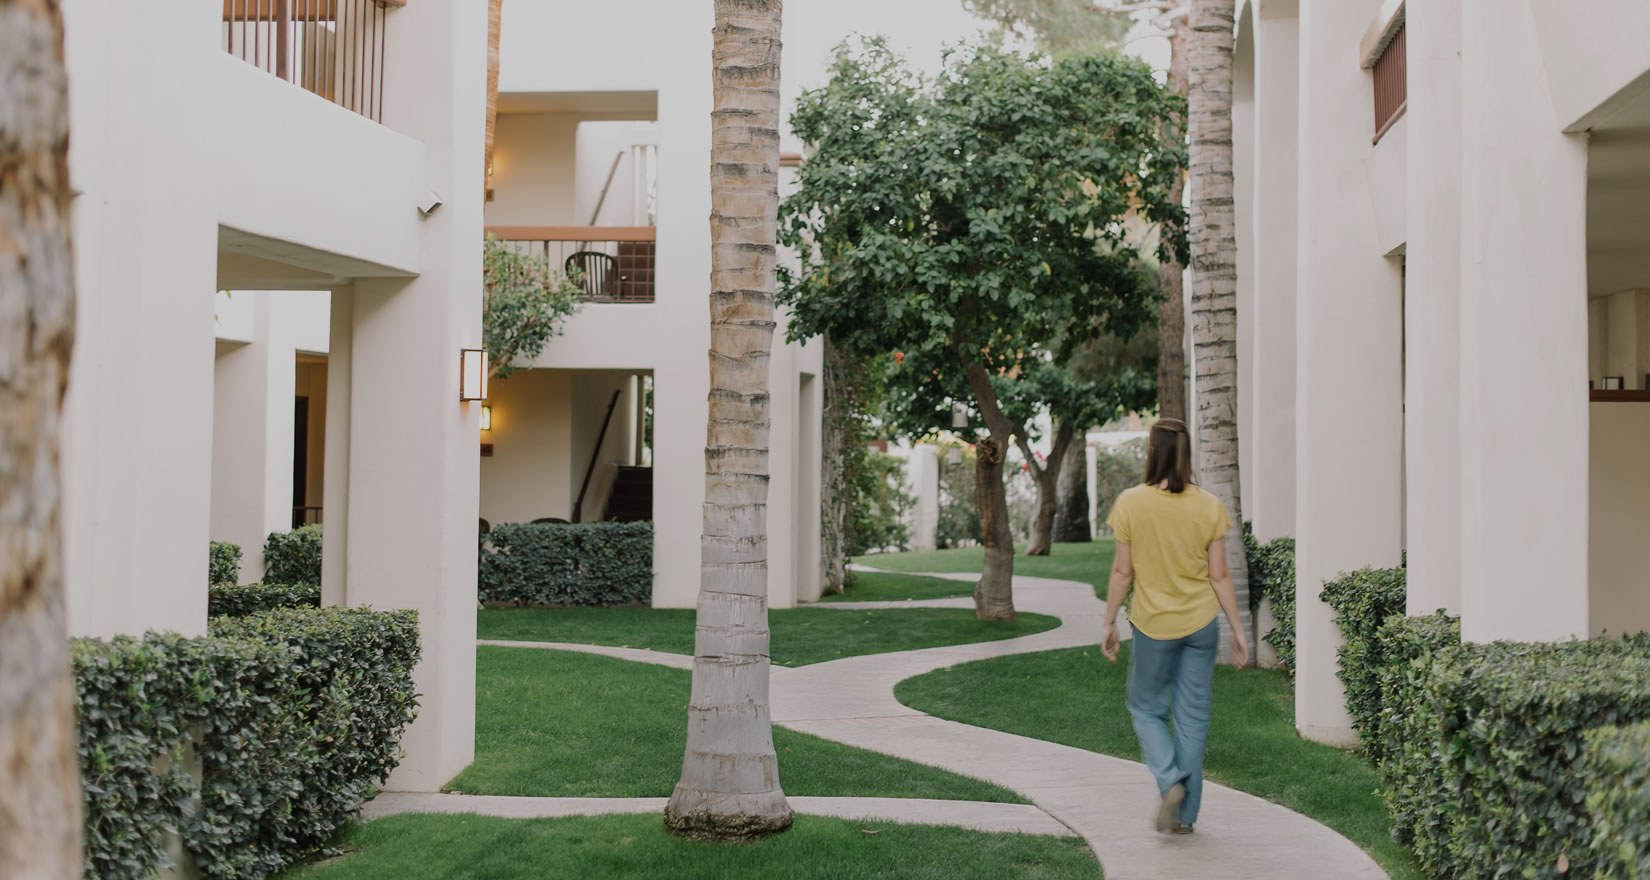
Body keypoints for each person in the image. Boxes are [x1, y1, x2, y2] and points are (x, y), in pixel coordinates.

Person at [1099, 417, 1249, 835]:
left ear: (1153, 452)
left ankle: (1169, 781)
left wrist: (1109, 622)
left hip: (1153, 626)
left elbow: (1122, 572)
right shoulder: (1209, 506)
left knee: (1145, 708)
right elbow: (1219, 576)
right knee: (1192, 722)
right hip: (1201, 626)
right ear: (1186, 454)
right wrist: (1238, 630)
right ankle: (1184, 818)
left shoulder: (1130, 503)